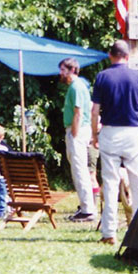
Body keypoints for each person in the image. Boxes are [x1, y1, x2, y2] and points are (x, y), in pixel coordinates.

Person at [91, 40, 138, 245]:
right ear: (128, 56)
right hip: (134, 132)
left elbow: (94, 111)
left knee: (110, 184)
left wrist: (94, 135)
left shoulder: (102, 77)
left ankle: (109, 233)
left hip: (110, 132)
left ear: (111, 55)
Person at [59, 57, 97, 222]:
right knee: (79, 170)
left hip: (78, 131)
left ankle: (88, 210)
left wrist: (74, 133)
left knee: (79, 170)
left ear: (72, 70)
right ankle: (85, 206)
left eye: (63, 70)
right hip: (79, 130)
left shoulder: (76, 86)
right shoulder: (77, 86)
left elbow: (79, 112)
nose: (61, 73)